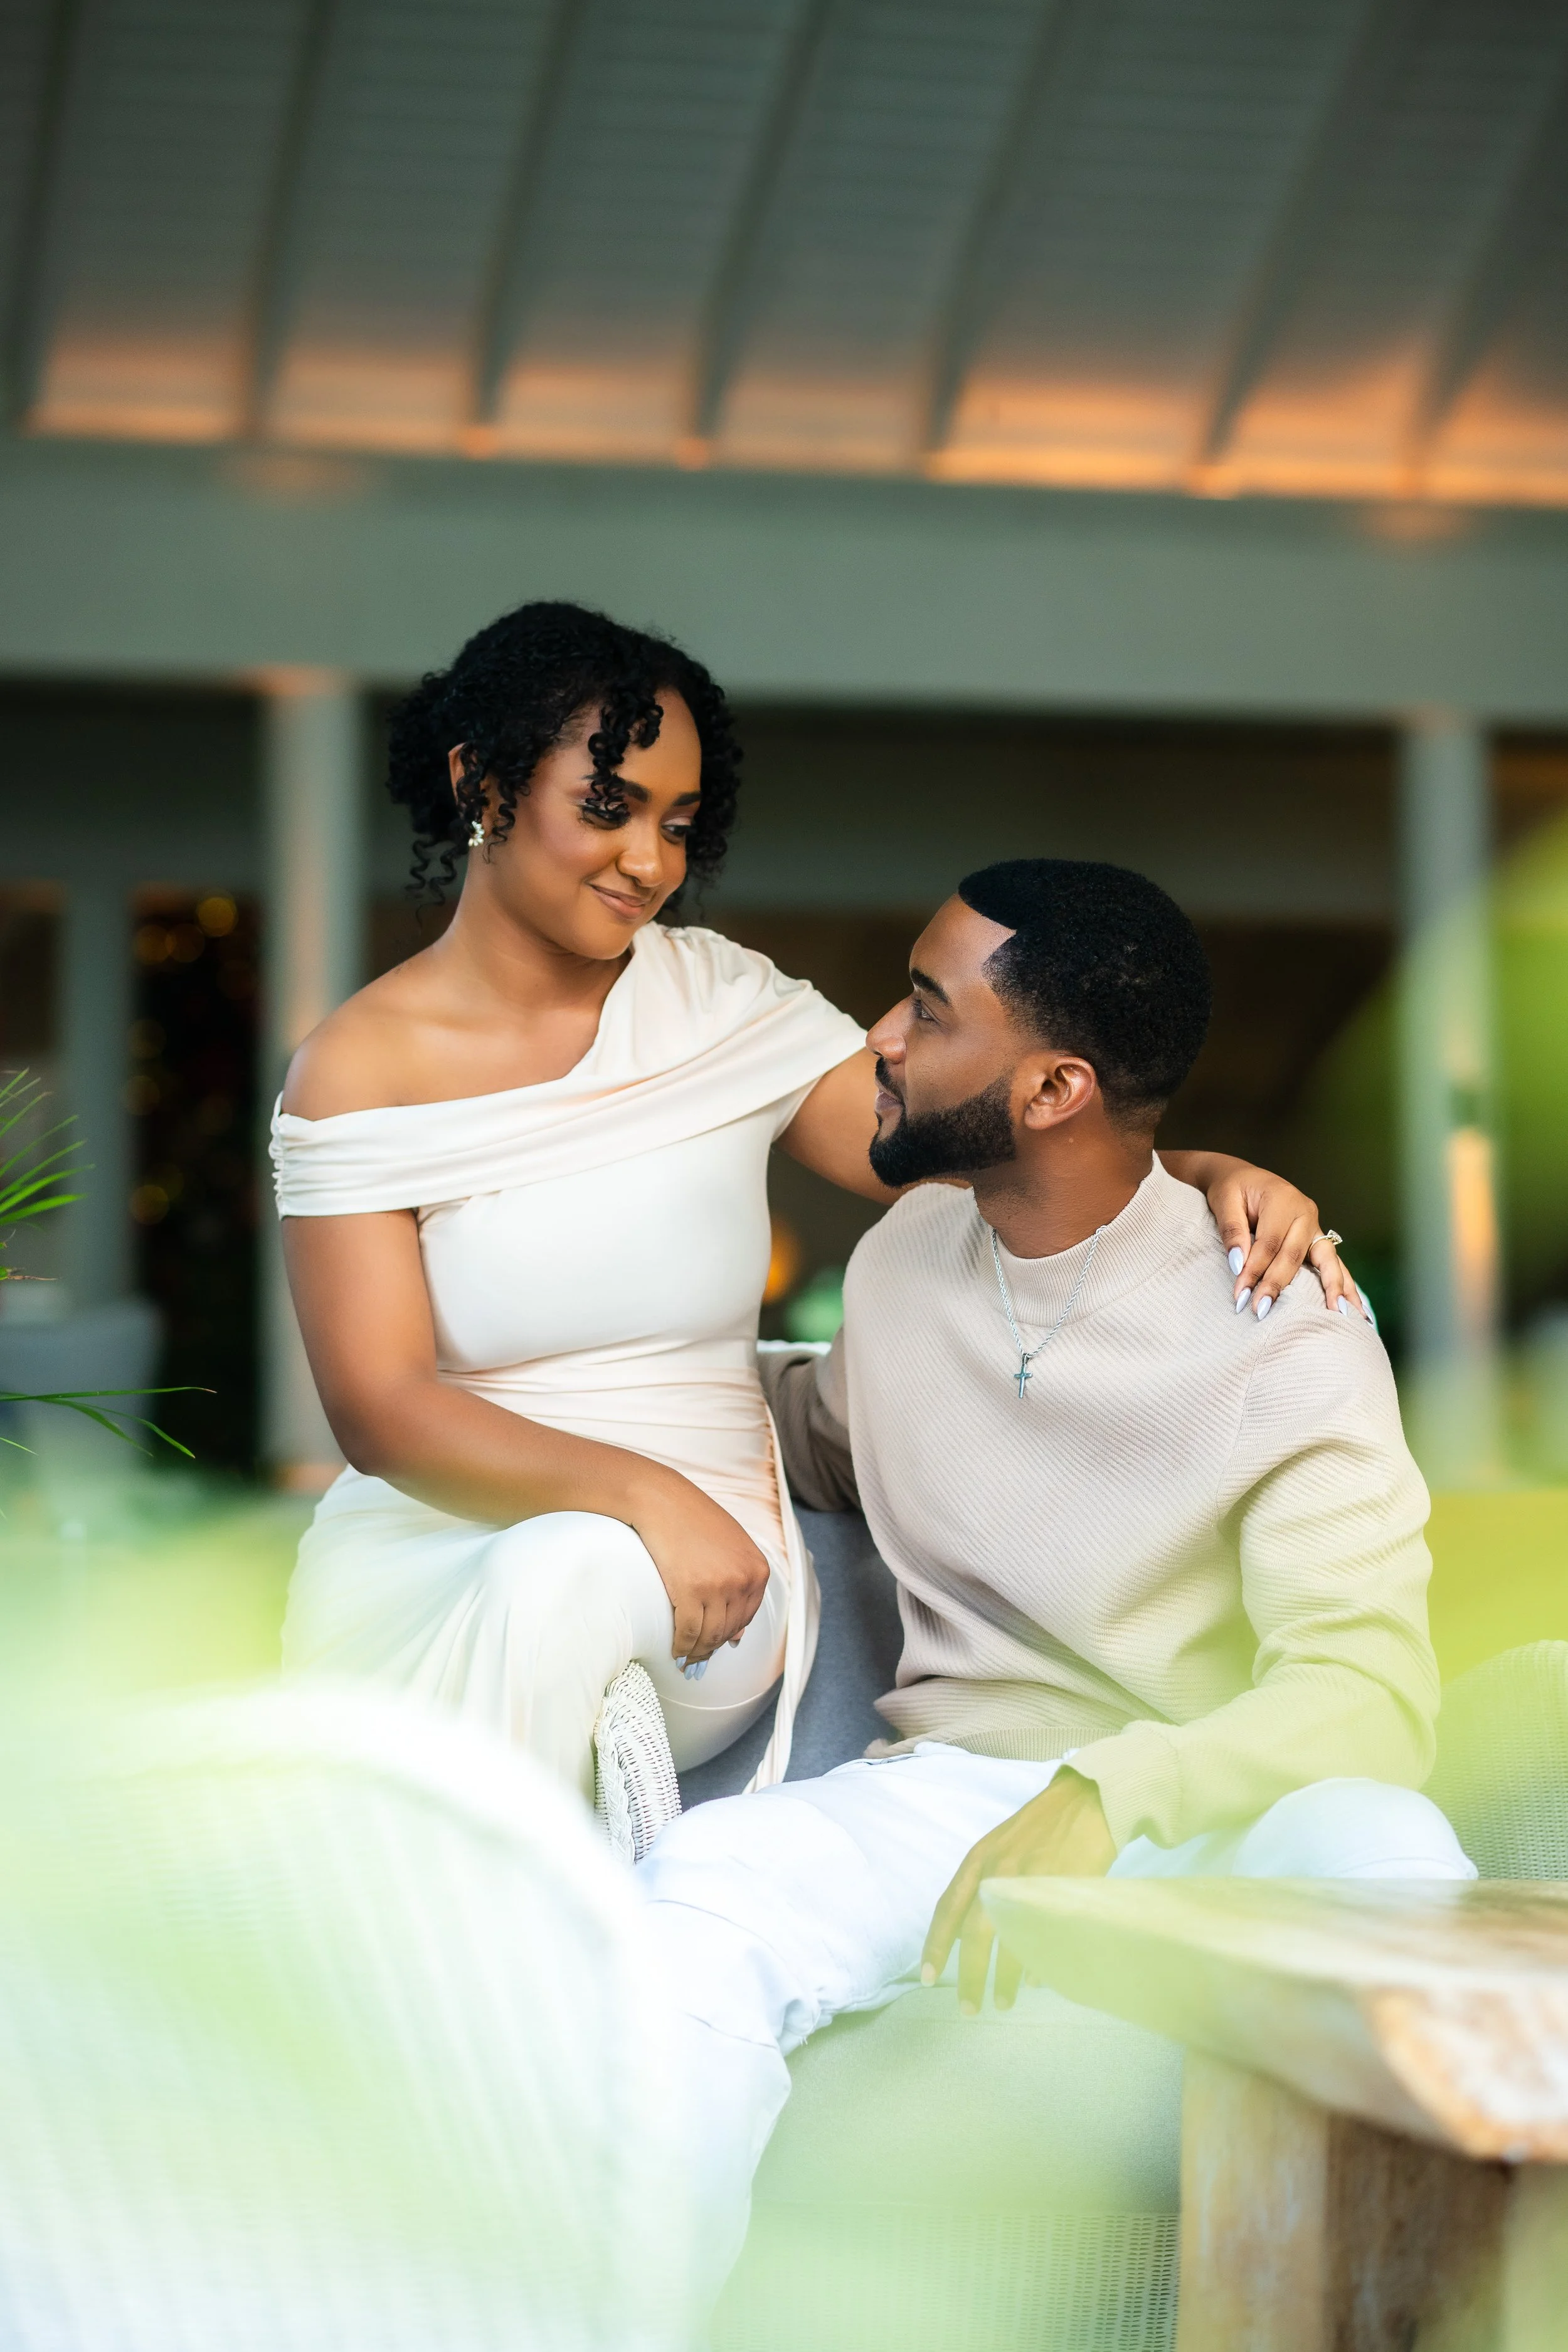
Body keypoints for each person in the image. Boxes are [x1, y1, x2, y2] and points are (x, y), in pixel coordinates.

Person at [271, 601, 1360, 1815]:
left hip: (708, 1580)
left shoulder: (723, 1006)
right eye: (609, 807)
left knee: (563, 1578)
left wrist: (1197, 1170)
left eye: (679, 825)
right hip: (432, 1549)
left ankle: (457, 1974)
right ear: (481, 780)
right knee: (549, 1569)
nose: (651, 863)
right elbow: (382, 1407)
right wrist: (637, 1493)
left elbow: (989, 1148)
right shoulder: (352, 1071)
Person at [636, 857, 1471, 2289]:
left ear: (1049, 1092)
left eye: (920, 1011)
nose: (878, 1047)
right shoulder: (906, 1254)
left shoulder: (1280, 1323)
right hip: (950, 1791)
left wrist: (1115, 1792)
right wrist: (583, 1430)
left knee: (1392, 1857)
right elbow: (818, 1438)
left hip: (1215, 1799)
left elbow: (1368, 1695)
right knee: (696, 1897)